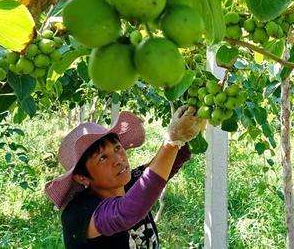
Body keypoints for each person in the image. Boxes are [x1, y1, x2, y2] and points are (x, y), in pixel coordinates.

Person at [44, 106, 206, 248]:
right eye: (102, 158)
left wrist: (196, 120)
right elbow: (125, 212)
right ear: (82, 178)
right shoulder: (78, 213)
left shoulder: (129, 184)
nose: (118, 160)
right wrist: (172, 141)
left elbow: (171, 161)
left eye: (117, 148)